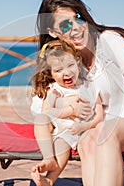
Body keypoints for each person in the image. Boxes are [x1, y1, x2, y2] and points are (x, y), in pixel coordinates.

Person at [30, 0, 124, 186]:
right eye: (66, 25)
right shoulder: (65, 61)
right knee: (87, 140)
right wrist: (66, 104)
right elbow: (38, 105)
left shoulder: (109, 40)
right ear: (53, 32)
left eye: (78, 18)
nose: (76, 28)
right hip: (99, 126)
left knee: (103, 132)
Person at [30, 39, 103, 185]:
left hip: (81, 130)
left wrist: (84, 126)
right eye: (58, 70)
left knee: (66, 141)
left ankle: (50, 179)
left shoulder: (90, 86)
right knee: (42, 121)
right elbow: (47, 111)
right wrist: (71, 110)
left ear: (77, 62)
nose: (67, 73)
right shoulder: (54, 89)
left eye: (70, 66)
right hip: (60, 128)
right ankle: (49, 161)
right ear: (50, 74)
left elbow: (99, 115)